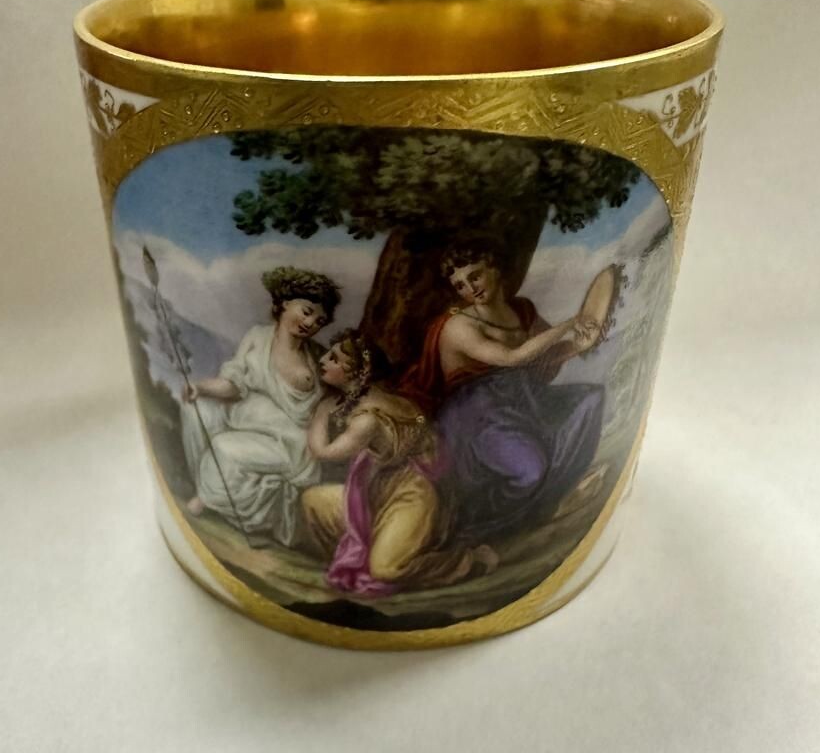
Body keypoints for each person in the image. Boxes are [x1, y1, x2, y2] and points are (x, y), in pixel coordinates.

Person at [399, 237, 616, 542]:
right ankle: (479, 530)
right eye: (460, 285)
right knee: (530, 469)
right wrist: (571, 323)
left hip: (519, 400)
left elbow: (542, 359)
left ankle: (548, 502)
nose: (470, 288)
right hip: (475, 419)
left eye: (475, 276)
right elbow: (513, 358)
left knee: (590, 400)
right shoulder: (458, 326)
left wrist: (580, 343)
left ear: (495, 268)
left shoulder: (522, 310)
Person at [302, 330, 496, 596]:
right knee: (313, 501)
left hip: (413, 495)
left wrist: (320, 412)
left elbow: (323, 452)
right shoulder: (364, 399)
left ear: (357, 373)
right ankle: (361, 557)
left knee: (385, 569)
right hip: (376, 490)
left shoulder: (367, 418)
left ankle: (469, 561)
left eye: (334, 358)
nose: (323, 359)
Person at [181, 267, 340, 547]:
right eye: (306, 311)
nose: (310, 323)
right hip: (247, 420)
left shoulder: (316, 359)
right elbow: (234, 384)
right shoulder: (257, 336)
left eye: (319, 320)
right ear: (285, 303)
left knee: (224, 447)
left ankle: (206, 499)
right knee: (196, 410)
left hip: (287, 442)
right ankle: (213, 493)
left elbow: (330, 406)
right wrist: (201, 388)